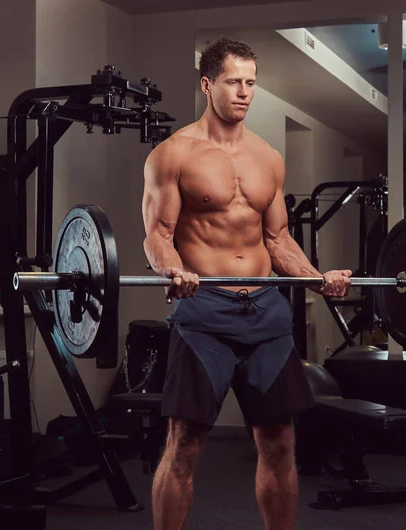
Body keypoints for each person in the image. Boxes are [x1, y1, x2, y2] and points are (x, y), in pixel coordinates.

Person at [141, 36, 352, 530]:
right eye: (234, 82)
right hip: (204, 309)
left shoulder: (269, 158)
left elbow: (277, 240)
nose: (244, 93)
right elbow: (158, 235)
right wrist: (172, 270)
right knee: (185, 441)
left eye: (251, 83)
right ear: (207, 83)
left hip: (265, 311)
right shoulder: (173, 154)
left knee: (279, 440)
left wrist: (318, 280)